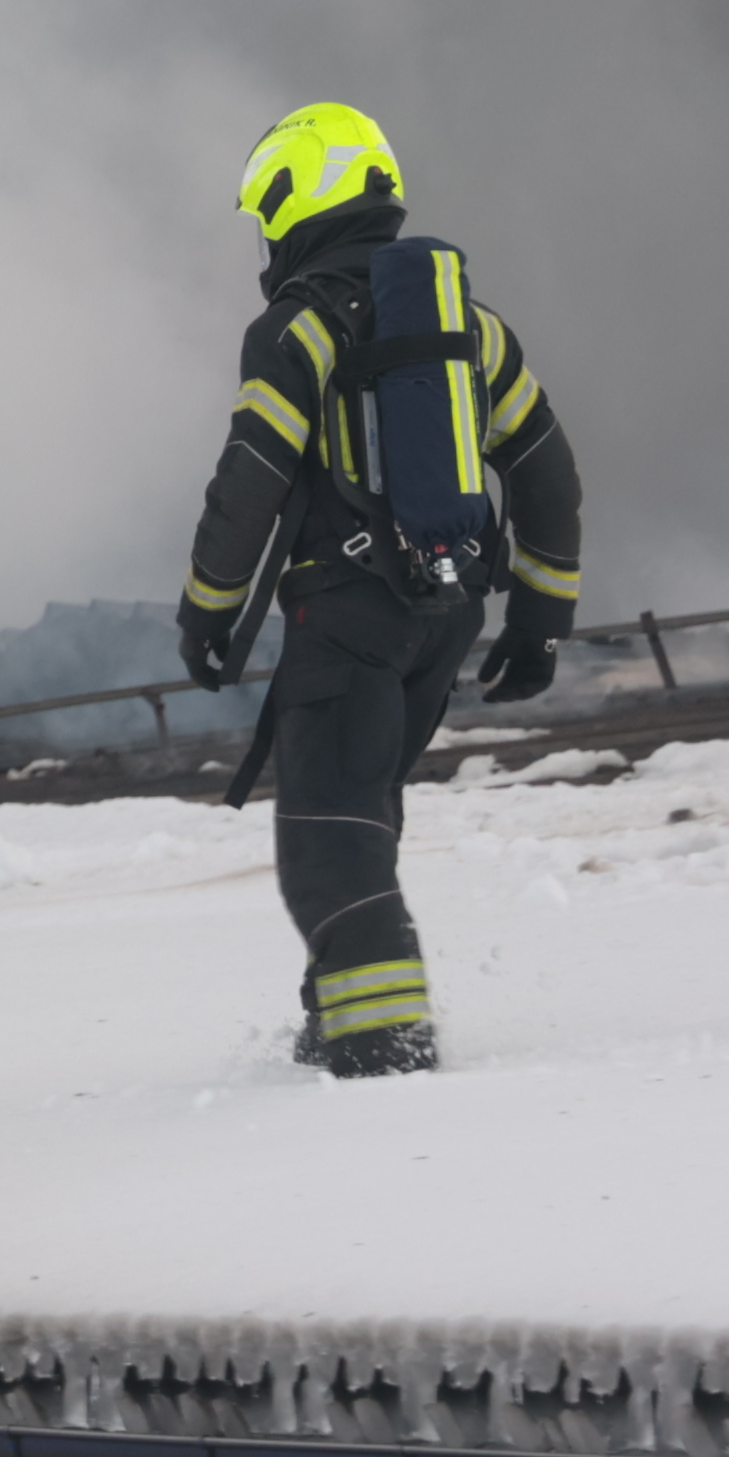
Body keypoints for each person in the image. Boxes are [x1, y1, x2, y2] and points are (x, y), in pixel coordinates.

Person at [171, 102, 584, 1078]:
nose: (266, 240)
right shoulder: (471, 331)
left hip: (346, 621)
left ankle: (383, 1054)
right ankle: (334, 1027)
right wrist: (538, 625)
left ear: (300, 198)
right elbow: (548, 477)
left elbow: (250, 483)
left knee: (326, 845)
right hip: (443, 622)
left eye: (268, 217)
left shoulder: (297, 332)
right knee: (359, 815)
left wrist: (206, 612)